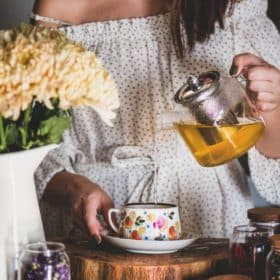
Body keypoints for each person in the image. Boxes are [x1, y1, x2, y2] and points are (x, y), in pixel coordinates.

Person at [32, 0, 280, 242]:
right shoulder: (59, 9)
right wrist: (73, 188)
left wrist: (271, 103)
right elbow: (28, 140)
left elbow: (275, 178)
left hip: (210, 217)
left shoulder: (236, 6)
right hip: (102, 224)